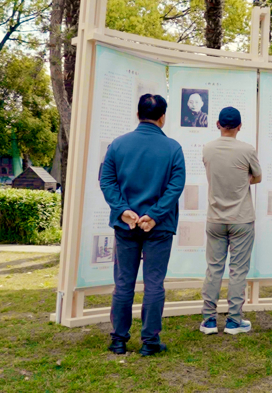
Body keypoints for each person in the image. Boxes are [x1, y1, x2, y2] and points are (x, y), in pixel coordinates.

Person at [99, 94, 186, 356]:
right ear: (163, 117)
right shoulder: (173, 148)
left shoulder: (117, 145)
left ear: (138, 114)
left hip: (126, 226)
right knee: (154, 283)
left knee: (123, 282)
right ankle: (150, 341)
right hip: (159, 227)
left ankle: (118, 340)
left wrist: (123, 210)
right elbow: (175, 187)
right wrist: (155, 215)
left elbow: (107, 181)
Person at [198, 107, 263, 335]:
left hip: (215, 217)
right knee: (238, 270)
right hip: (241, 218)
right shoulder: (247, 150)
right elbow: (257, 177)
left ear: (218, 124)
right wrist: (244, 179)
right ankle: (234, 321)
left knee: (213, 269)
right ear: (240, 126)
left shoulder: (208, 148)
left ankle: (209, 320)